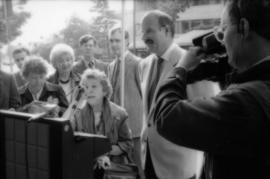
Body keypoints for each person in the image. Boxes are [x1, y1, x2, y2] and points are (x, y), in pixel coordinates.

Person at [154, 1, 270, 179]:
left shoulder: (244, 102)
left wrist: (180, 68)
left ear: (243, 27)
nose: (221, 38)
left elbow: (166, 116)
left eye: (224, 28)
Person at [140, 10, 204, 179]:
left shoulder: (191, 62)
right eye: (142, 32)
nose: (143, 37)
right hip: (149, 159)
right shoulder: (144, 65)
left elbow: (204, 116)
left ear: (166, 30)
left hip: (179, 165)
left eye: (149, 31)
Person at [70, 68, 133, 178]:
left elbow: (127, 144)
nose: (89, 90)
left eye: (94, 86)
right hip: (85, 169)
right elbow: (71, 142)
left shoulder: (120, 114)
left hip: (112, 170)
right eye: (86, 87)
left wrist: (105, 153)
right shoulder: (77, 114)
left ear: (104, 91)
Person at [107, 26, 144, 178]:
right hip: (116, 130)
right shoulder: (110, 66)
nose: (114, 44)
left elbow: (145, 95)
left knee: (140, 168)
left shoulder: (137, 63)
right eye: (111, 41)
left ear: (127, 41)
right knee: (121, 171)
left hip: (134, 129)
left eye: (118, 40)